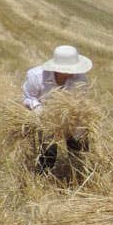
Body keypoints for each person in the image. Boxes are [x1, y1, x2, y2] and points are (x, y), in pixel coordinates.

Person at [22, 45, 92, 173]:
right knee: (49, 152)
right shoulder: (36, 76)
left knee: (79, 149)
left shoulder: (80, 79)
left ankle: (77, 174)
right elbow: (28, 97)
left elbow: (80, 102)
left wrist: (76, 117)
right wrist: (38, 109)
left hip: (71, 118)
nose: (72, 73)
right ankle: (43, 178)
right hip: (45, 117)